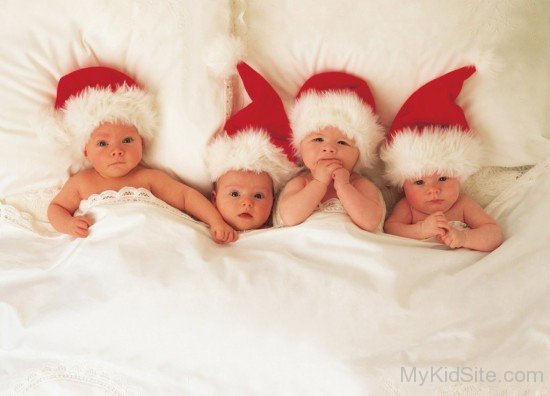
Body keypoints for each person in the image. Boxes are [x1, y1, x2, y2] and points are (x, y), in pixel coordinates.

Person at [47, 66, 237, 244]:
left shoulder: (148, 178)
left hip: (151, 240)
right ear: (86, 152)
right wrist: (68, 224)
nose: (117, 150)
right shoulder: (81, 182)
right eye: (103, 143)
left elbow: (187, 198)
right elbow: (57, 208)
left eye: (127, 140)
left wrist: (216, 222)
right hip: (104, 245)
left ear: (142, 143)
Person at [380, 66, 503, 251]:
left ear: (459, 176)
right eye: (419, 182)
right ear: (403, 185)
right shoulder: (408, 208)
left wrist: (464, 238)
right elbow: (390, 229)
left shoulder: (463, 205)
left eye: (443, 178)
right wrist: (421, 229)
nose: (433, 190)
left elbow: (494, 235)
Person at [276, 71, 386, 232]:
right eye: (318, 139)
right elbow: (290, 218)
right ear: (300, 147)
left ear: (359, 154)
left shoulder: (361, 185)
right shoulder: (300, 183)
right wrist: (318, 183)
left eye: (342, 142)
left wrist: (344, 186)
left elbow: (370, 223)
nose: (329, 148)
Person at [206, 62, 297, 231]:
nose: (247, 202)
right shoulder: (204, 226)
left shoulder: (281, 229)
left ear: (273, 201)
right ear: (214, 199)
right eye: (234, 194)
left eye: (258, 196)